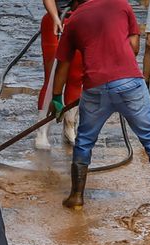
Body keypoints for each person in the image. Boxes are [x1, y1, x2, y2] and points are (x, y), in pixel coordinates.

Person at [50, 0, 150, 208]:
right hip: (129, 83)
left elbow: (63, 65)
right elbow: (135, 47)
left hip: (95, 87)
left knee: (84, 140)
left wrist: (56, 97)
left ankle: (76, 196)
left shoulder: (73, 21)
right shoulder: (121, 4)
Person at [38, 0, 84, 150]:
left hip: (81, 21)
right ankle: (42, 131)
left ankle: (70, 127)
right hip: (55, 21)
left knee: (76, 77)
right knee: (52, 77)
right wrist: (56, 18)